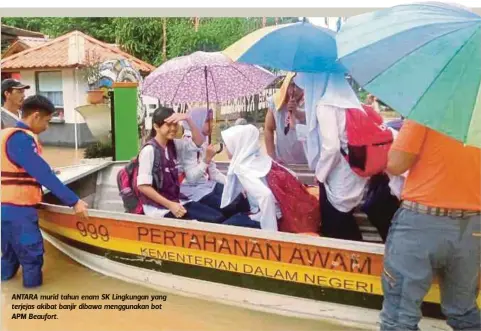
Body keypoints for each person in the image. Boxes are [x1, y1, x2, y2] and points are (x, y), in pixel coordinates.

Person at [380, 119, 481, 331]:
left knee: (400, 317)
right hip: (473, 227)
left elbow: (396, 164)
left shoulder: (430, 111)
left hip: (421, 222)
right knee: (464, 312)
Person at [1, 95, 88, 288]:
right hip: (20, 213)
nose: (47, 127)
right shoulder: (21, 139)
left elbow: (20, 168)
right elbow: (42, 174)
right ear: (36, 116)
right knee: (32, 260)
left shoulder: (6, 135)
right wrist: (74, 201)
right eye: (47, 121)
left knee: (9, 259)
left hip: (4, 209)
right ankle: (34, 308)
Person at [294, 72, 369, 241]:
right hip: (355, 169)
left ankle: (350, 263)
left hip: (339, 174)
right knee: (345, 220)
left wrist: (320, 176)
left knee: (338, 226)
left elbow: (332, 148)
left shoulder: (326, 105)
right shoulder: (349, 101)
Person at [220, 124, 320, 233]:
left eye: (226, 144)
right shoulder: (259, 157)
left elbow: (265, 196)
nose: (225, 148)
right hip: (280, 211)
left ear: (236, 145)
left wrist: (270, 232)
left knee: (224, 227)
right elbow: (292, 174)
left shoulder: (242, 168)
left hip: (267, 217)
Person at [136, 106, 225, 223]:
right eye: (168, 125)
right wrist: (170, 205)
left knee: (219, 215)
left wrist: (188, 119)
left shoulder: (173, 145)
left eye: (175, 124)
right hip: (159, 209)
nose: (173, 128)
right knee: (215, 219)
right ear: (156, 126)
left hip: (177, 201)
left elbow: (197, 142)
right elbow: (143, 186)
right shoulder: (149, 150)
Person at [179, 107, 250, 218]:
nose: (212, 124)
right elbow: (192, 178)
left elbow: (213, 173)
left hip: (208, 186)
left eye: (212, 120)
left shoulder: (204, 141)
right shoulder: (188, 142)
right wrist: (206, 159)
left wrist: (234, 185)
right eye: (207, 121)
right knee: (231, 206)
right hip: (193, 191)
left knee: (241, 197)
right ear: (197, 121)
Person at [264, 72, 308, 165]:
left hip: (307, 162)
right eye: (292, 85)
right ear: (286, 83)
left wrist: (296, 112)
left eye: (299, 85)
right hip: (283, 161)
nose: (295, 90)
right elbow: (268, 129)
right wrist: (272, 158)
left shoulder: (310, 101)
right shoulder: (276, 101)